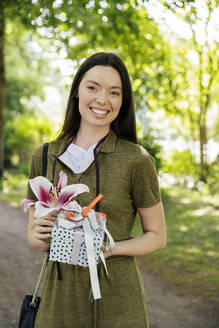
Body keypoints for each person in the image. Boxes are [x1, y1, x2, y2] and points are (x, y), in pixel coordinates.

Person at [27, 52, 166, 328]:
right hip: (59, 305)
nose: (102, 100)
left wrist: (108, 249)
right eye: (92, 87)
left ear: (122, 101)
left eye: (114, 92)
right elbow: (35, 239)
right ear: (77, 91)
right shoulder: (44, 157)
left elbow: (157, 237)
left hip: (119, 304)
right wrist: (38, 233)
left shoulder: (136, 160)